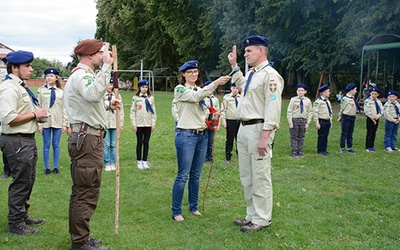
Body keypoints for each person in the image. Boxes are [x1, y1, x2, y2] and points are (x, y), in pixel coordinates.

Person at [64, 39, 120, 250]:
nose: (102, 57)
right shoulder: (81, 76)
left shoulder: (80, 76)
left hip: (87, 138)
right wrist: (107, 67)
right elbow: (93, 93)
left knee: (83, 190)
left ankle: (80, 238)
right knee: (85, 191)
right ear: (90, 55)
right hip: (87, 140)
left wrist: (107, 104)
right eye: (100, 53)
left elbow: (88, 103)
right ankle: (80, 243)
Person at [228, 35, 284, 232]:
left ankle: (262, 219)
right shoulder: (253, 74)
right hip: (244, 129)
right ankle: (251, 215)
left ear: (261, 51)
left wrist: (265, 137)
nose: (245, 54)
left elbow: (272, 108)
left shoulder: (271, 75)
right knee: (247, 176)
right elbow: (244, 88)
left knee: (260, 176)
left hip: (258, 129)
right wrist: (235, 66)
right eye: (244, 51)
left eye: (249, 51)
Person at [171, 60, 230, 222]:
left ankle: (194, 207)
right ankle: (176, 211)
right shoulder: (181, 89)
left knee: (196, 175)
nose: (193, 75)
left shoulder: (199, 90)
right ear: (183, 74)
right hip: (186, 135)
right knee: (183, 175)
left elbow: (201, 111)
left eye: (195, 72)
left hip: (202, 135)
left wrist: (212, 118)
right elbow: (197, 96)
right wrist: (215, 83)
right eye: (189, 72)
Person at [0, 50, 49, 235]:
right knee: (21, 182)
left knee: (28, 180)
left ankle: (22, 216)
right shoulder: (9, 88)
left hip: (25, 139)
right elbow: (8, 117)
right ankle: (16, 225)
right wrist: (34, 115)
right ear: (14, 68)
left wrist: (37, 118)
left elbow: (23, 113)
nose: (31, 69)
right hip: (16, 140)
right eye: (27, 66)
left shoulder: (21, 87)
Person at [37, 68, 68, 175]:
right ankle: (47, 167)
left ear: (56, 78)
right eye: (47, 76)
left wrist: (65, 124)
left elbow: (64, 108)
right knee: (46, 145)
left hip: (58, 121)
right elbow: (38, 107)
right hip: (45, 122)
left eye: (51, 76)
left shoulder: (61, 92)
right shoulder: (41, 90)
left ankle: (55, 167)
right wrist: (39, 124)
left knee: (56, 144)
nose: (49, 78)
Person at [130, 79, 156, 169]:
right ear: (139, 88)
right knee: (139, 142)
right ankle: (139, 161)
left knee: (146, 142)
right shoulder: (136, 98)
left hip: (148, 124)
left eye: (146, 87)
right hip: (139, 124)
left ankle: (145, 160)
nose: (145, 89)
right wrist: (134, 124)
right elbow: (132, 112)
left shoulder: (150, 98)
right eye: (143, 87)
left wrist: (153, 123)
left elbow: (153, 112)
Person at [286, 83, 312, 157]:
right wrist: (290, 122)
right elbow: (289, 111)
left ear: (305, 92)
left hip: (303, 120)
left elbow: (310, 112)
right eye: (298, 90)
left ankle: (300, 150)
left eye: (302, 90)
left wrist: (308, 122)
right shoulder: (293, 100)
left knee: (301, 136)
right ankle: (294, 151)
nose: (300, 92)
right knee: (294, 136)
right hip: (295, 120)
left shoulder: (307, 101)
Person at [103, 81, 124, 171]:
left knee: (114, 144)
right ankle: (107, 162)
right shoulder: (102, 96)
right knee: (107, 144)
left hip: (115, 123)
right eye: (108, 84)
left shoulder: (117, 96)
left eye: (112, 85)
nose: (110, 86)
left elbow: (121, 111)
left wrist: (121, 124)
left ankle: (113, 162)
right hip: (105, 123)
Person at [220, 82, 241, 163]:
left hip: (240, 121)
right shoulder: (227, 97)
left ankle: (240, 155)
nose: (235, 90)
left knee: (240, 140)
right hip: (230, 121)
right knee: (230, 139)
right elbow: (223, 110)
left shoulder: (241, 97)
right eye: (234, 88)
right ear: (231, 89)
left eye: (237, 88)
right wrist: (223, 121)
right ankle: (228, 156)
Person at [338, 83, 360, 153]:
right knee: (344, 133)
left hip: (352, 117)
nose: (356, 91)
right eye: (355, 90)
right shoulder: (345, 99)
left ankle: (349, 147)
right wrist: (340, 117)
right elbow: (342, 108)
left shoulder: (353, 98)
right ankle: (342, 147)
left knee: (350, 133)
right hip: (346, 117)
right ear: (351, 90)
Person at [203, 80, 220, 163]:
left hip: (213, 121)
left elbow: (218, 110)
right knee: (204, 140)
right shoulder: (203, 98)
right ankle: (203, 157)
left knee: (211, 141)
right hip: (205, 121)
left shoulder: (215, 99)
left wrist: (218, 123)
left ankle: (209, 157)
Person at [313, 85, 332, 155]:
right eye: (328, 92)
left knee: (326, 136)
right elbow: (315, 113)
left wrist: (331, 122)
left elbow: (330, 112)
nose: (329, 93)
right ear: (324, 93)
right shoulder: (318, 102)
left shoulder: (327, 101)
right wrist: (317, 123)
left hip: (327, 120)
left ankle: (324, 149)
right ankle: (320, 150)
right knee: (321, 136)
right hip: (322, 121)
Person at [364, 87, 383, 152]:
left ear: (378, 95)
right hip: (370, 118)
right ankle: (368, 146)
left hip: (376, 118)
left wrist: (377, 116)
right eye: (372, 94)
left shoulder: (378, 101)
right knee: (369, 132)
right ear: (370, 94)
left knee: (374, 132)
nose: (373, 95)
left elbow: (381, 110)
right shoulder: (367, 101)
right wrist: (372, 118)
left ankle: (372, 145)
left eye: (375, 94)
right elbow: (367, 111)